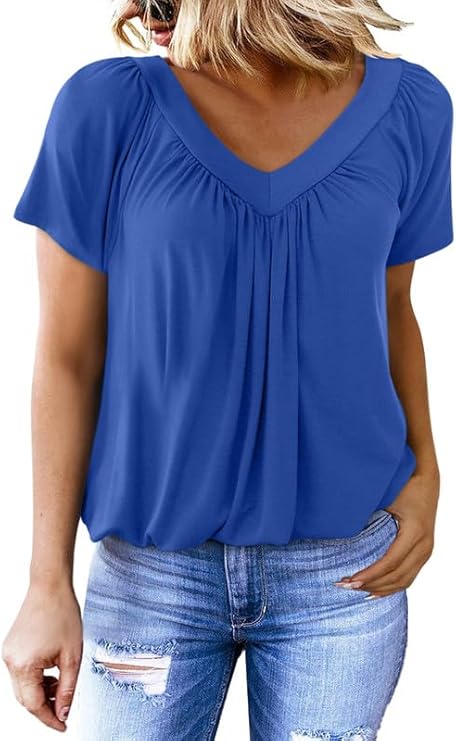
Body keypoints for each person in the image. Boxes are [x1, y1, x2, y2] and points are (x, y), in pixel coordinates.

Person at [2, 1, 453, 738]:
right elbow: (67, 356)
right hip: (152, 580)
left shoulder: (413, 107)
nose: (138, 11)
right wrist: (46, 580)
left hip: (344, 581)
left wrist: (428, 473)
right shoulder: (106, 108)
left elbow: (394, 309)